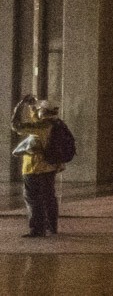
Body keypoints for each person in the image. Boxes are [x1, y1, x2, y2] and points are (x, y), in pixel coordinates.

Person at [11, 96, 65, 238]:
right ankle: (51, 226)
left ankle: (37, 229)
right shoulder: (56, 124)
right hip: (50, 167)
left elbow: (16, 126)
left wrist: (18, 107)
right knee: (49, 197)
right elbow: (36, 118)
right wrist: (32, 106)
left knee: (33, 198)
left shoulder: (41, 127)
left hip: (34, 168)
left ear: (44, 112)